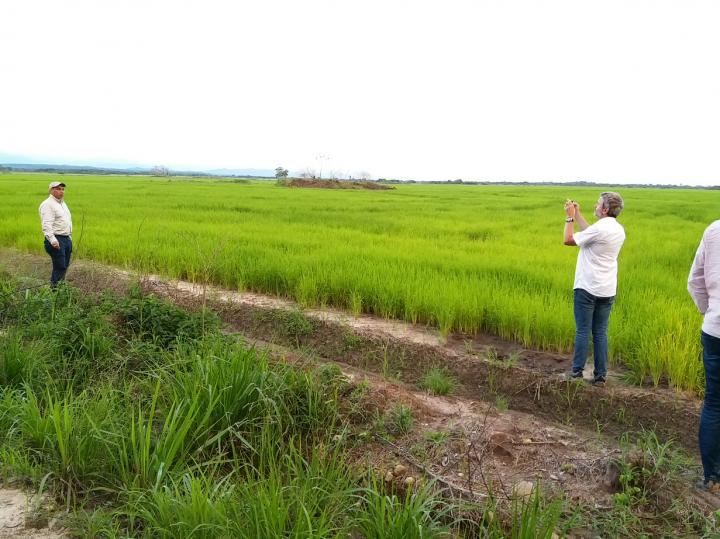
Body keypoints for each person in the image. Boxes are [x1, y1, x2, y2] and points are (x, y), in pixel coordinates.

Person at [563, 192, 626, 386]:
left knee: (583, 331)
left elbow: (568, 239)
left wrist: (569, 217)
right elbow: (590, 233)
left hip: (587, 287)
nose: (595, 206)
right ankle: (600, 376)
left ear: (605, 209)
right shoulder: (618, 229)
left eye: (598, 204)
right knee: (600, 333)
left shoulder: (599, 230)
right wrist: (579, 214)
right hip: (607, 290)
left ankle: (576, 373)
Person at [688, 219, 720, 491]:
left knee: (714, 404)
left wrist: (710, 313)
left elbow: (695, 281)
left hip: (715, 330)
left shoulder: (714, 230)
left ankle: (712, 479)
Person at [39, 181, 73, 288]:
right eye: (58, 189)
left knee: (65, 266)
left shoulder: (62, 203)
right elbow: (46, 225)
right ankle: (54, 292)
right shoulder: (48, 204)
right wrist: (53, 240)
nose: (61, 191)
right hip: (56, 239)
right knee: (60, 266)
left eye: (62, 189)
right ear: (51, 190)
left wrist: (69, 238)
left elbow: (66, 221)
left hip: (66, 239)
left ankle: (60, 289)